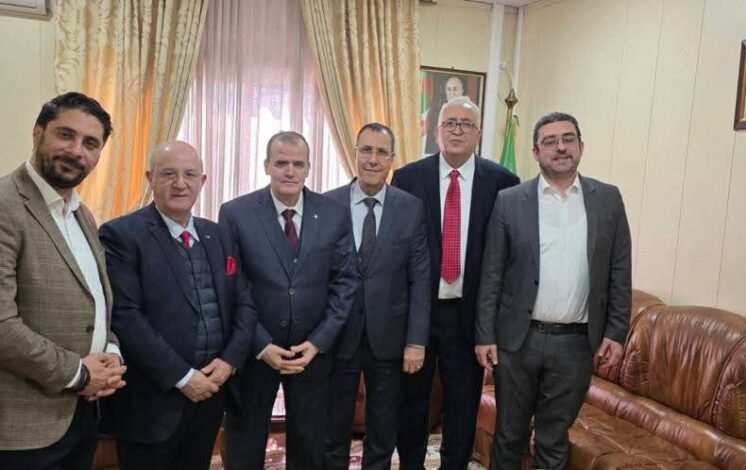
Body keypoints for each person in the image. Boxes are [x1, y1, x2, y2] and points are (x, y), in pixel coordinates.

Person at [475, 112, 632, 469]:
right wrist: (484, 334)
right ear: (536, 152)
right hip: (518, 342)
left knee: (553, 438)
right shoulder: (510, 200)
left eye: (568, 139)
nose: (560, 147)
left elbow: (620, 270)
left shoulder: (608, 199)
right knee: (509, 435)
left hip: (576, 345)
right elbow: (492, 273)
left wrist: (616, 332)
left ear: (581, 146)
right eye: (550, 141)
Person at [0, 92, 127, 470]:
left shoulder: (82, 215)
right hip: (20, 427)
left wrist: (111, 353)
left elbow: (95, 303)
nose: (76, 151)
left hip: (80, 417)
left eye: (90, 143)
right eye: (66, 135)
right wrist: (79, 373)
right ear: (37, 132)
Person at [98, 141, 258, 470]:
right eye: (169, 174)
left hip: (211, 393)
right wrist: (183, 377)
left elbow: (244, 304)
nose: (180, 184)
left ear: (203, 180)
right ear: (150, 178)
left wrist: (229, 361)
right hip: (153, 403)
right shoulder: (121, 235)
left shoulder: (218, 235)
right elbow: (126, 317)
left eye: (190, 175)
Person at [392, 97, 520, 470]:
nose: (457, 130)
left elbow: (507, 257)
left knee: (463, 405)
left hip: (469, 315)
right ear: (436, 133)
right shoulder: (408, 178)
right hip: (418, 313)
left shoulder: (503, 183)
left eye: (466, 123)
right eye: (450, 123)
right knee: (412, 402)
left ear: (479, 133)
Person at [219, 131, 358, 470]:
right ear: (266, 165)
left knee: (310, 446)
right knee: (244, 444)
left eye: (298, 164)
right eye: (281, 163)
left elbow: (345, 282)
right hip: (254, 352)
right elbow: (232, 286)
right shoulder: (236, 213)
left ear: (309, 167)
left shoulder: (334, 213)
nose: (290, 171)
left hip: (311, 353)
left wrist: (318, 342)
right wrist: (260, 345)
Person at [323, 123, 431, 470]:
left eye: (381, 152)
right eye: (366, 150)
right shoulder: (327, 204)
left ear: (392, 159)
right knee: (333, 425)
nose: (373, 159)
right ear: (354, 153)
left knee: (383, 427)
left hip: (390, 338)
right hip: (338, 335)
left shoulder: (410, 208)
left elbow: (420, 279)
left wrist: (416, 341)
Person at [423, 75, 467, 156]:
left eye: (455, 89)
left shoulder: (469, 113)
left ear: (462, 91)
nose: (452, 93)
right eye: (449, 89)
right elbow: (431, 142)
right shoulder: (436, 112)